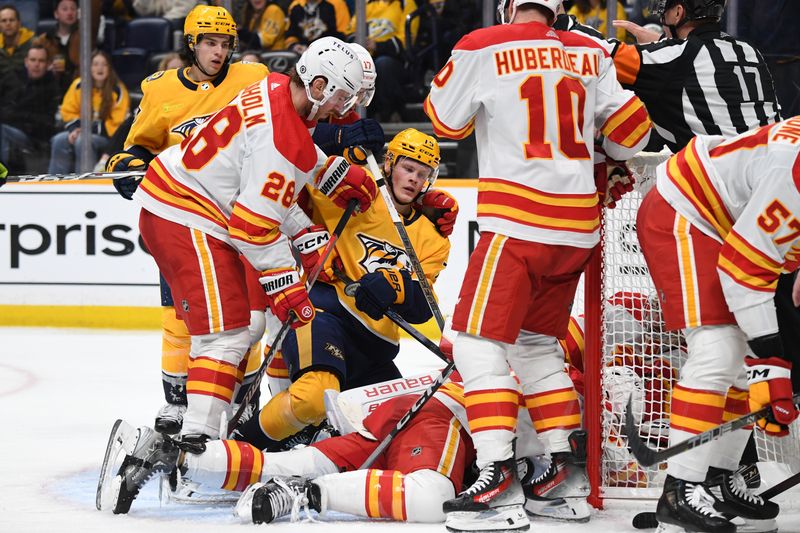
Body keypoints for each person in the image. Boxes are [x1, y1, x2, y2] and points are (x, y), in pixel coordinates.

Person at [108, 38, 377, 516]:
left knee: (242, 328)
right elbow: (253, 226)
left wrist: (329, 172)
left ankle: (199, 439)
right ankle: (193, 446)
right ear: (317, 85)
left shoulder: (273, 87)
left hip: (189, 202)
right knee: (229, 334)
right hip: (187, 214)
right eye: (341, 96)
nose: (345, 108)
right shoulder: (286, 140)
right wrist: (286, 282)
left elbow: (271, 164)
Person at [424, 0, 652, 530]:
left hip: (517, 221)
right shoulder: (591, 49)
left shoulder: (484, 43)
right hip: (576, 229)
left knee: (479, 344)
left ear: (509, 6)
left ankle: (497, 477)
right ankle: (562, 478)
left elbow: (444, 120)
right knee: (535, 345)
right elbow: (631, 134)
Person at [233, 128, 451, 453]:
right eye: (408, 168)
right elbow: (301, 168)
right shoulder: (359, 194)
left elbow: (423, 308)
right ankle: (240, 447)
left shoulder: (434, 238)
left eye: (423, 174)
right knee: (314, 396)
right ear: (389, 163)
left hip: (375, 348)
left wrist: (397, 286)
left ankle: (320, 446)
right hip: (325, 316)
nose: (413, 179)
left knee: (395, 432)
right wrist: (336, 140)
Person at [635, 116, 800, 532]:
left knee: (746, 360)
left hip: (730, 226)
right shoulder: (794, 173)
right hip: (685, 212)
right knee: (721, 347)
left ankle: (716, 478)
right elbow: (743, 269)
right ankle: (679, 491)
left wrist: (768, 360)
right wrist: (773, 358)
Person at [606, 0, 780, 153]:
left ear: (677, 12)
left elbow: (598, 54)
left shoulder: (677, 56)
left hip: (727, 177)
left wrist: (576, 24)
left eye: (665, 10)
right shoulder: (748, 50)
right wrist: (661, 42)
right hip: (774, 160)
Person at [47, 50, 129, 174]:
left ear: (109, 68)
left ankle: (84, 181)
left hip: (104, 138)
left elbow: (117, 125)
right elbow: (67, 111)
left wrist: (85, 129)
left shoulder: (118, 90)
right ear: (89, 67)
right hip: (79, 132)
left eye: (104, 64)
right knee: (59, 140)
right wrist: (75, 129)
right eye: (95, 64)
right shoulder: (78, 85)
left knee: (83, 141)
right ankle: (54, 182)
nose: (99, 68)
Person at [346, 0, 419, 122]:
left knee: (383, 64)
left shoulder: (406, 4)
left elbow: (405, 41)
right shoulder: (366, 4)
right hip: (364, 56)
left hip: (395, 59)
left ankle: (388, 114)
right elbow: (349, 33)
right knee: (354, 67)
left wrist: (377, 46)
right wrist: (360, 42)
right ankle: (354, 118)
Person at [0, 43, 60, 170]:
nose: (36, 64)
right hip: (7, 125)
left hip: (31, 137)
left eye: (41, 61)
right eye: (33, 60)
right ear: (26, 61)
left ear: (48, 64)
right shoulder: (12, 78)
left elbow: (47, 122)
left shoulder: (51, 87)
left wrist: (15, 115)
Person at [0, 5, 35, 75]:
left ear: (19, 24)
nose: (8, 24)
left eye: (11, 20)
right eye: (4, 21)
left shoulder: (34, 44)